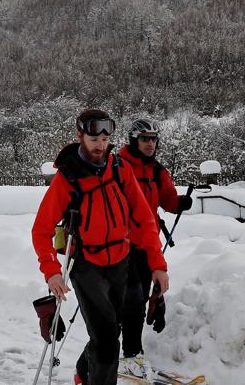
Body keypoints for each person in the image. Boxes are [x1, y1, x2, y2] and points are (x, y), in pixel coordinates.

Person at [32, 109, 169, 385]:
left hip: (121, 260)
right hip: (87, 266)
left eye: (105, 139)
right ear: (80, 135)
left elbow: (144, 219)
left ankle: (84, 373)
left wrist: (157, 264)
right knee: (107, 343)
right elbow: (41, 230)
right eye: (94, 139)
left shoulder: (120, 169)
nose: (100, 145)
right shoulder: (68, 178)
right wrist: (52, 271)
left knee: (110, 331)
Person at [116, 118, 192, 370]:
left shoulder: (157, 170)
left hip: (146, 244)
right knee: (130, 300)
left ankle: (129, 353)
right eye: (144, 139)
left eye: (153, 139)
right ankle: (125, 353)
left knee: (136, 301)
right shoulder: (118, 165)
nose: (150, 144)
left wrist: (180, 203)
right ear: (133, 140)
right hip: (119, 244)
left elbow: (167, 199)